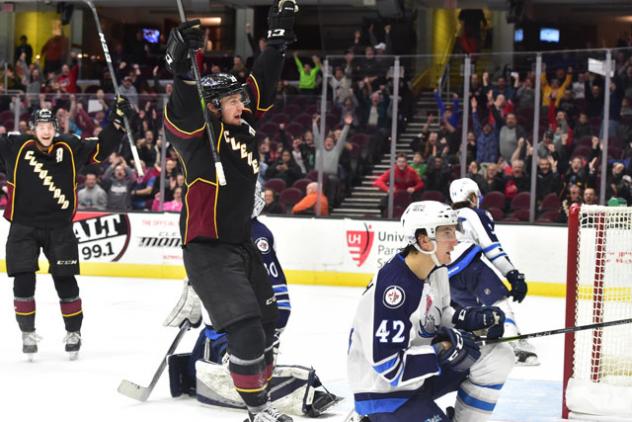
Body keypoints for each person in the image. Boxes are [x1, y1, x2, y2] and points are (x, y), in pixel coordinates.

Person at [161, 1, 298, 420]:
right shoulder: (198, 140)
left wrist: (276, 43)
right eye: (232, 100)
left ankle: (255, 383)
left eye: (240, 98)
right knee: (246, 330)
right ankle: (258, 410)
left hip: (240, 245)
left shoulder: (246, 124)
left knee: (272, 320)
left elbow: (263, 84)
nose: (241, 104)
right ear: (214, 107)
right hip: (208, 251)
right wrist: (182, 65)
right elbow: (182, 111)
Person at [164, 186, 340, 417]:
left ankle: (294, 388)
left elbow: (275, 287)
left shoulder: (255, 234)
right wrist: (195, 293)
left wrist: (273, 331)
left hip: (234, 327)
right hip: (218, 326)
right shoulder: (222, 228)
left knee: (235, 368)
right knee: (195, 369)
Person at [347, 200, 513, 421]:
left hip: (418, 378)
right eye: (447, 233)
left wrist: (469, 319)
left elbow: (439, 314)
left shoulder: (436, 271)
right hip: (384, 393)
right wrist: (442, 349)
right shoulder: (394, 291)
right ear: (424, 239)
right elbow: (389, 366)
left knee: (498, 356)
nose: (455, 241)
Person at [0, 97, 133, 360]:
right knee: (24, 280)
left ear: (56, 128)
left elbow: (103, 148)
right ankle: (27, 333)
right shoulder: (15, 146)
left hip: (59, 227)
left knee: (65, 280)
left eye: (50, 127)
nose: (46, 131)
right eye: (41, 127)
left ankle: (74, 332)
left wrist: (117, 122)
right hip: (23, 226)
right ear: (33, 128)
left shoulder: (71, 146)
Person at [447, 178, 538, 366]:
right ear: (472, 196)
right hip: (469, 265)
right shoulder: (476, 214)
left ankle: (474, 348)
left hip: (447, 275)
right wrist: (512, 274)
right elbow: (491, 248)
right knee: (499, 303)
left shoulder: (446, 216)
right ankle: (515, 347)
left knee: (472, 313)